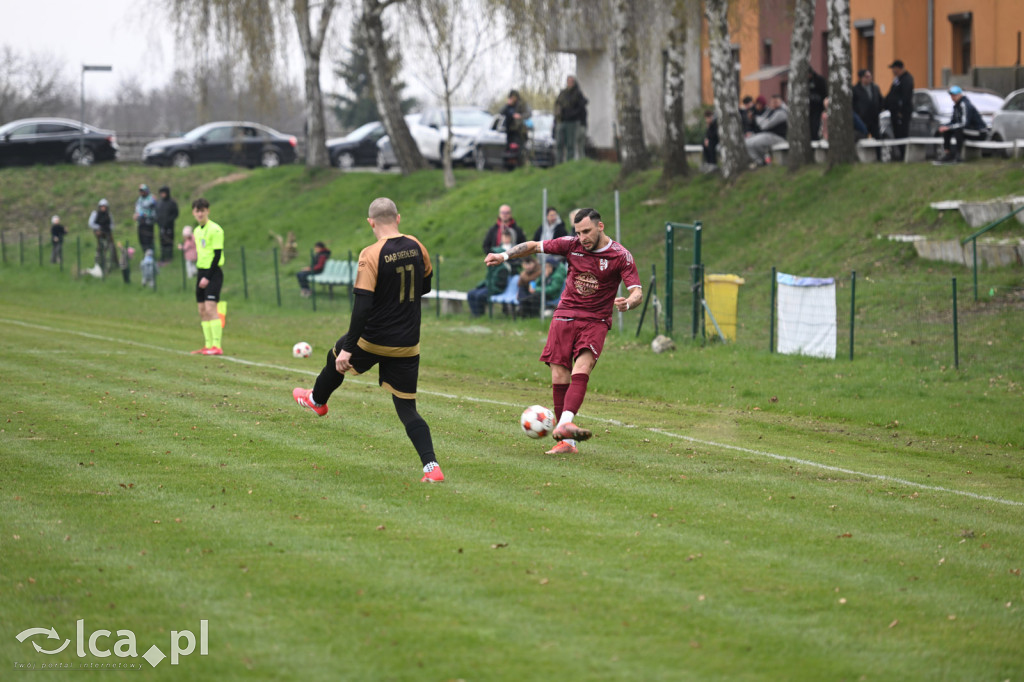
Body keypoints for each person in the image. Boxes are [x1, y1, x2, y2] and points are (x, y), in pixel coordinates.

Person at [291, 197, 444, 483]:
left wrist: (348, 349)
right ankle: (431, 467)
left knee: (334, 356)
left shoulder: (370, 254)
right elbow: (425, 286)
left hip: (374, 338)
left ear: (370, 222)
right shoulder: (416, 244)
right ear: (397, 218)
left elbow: (362, 307)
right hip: (408, 342)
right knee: (406, 408)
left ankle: (317, 400)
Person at [484, 207, 642, 455]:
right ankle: (567, 441)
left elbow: (637, 291)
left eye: (587, 231)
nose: (582, 238)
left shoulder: (620, 255)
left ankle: (565, 423)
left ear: (600, 227)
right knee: (559, 374)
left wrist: (628, 303)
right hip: (565, 313)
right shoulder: (571, 244)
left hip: (595, 320)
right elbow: (534, 246)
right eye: (578, 232)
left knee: (582, 367)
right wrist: (503, 256)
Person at [190, 198, 226, 356]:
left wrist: (208, 277)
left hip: (213, 272)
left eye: (202, 210)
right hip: (201, 271)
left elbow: (217, 255)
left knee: (211, 308)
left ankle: (217, 346)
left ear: (207, 211)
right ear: (193, 213)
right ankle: (208, 345)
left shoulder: (216, 230)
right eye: (197, 211)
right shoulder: (197, 231)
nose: (200, 213)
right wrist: (201, 275)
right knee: (202, 310)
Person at [468, 232, 513, 317]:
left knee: (479, 296)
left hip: (495, 289)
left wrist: (489, 287)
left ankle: (479, 316)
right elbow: (489, 278)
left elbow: (499, 284)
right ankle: (475, 315)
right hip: (490, 286)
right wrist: (482, 285)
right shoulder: (492, 266)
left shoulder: (503, 269)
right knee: (471, 293)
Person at [937, 86, 986, 163]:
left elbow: (965, 123)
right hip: (967, 130)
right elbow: (953, 122)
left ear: (960, 94)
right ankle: (948, 154)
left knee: (958, 130)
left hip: (978, 132)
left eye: (954, 95)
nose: (952, 97)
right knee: (947, 130)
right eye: (951, 95)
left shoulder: (965, 104)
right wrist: (945, 127)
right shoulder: (956, 106)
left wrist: (949, 127)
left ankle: (958, 156)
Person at [745, 94, 789, 167]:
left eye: (776, 102)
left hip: (777, 137)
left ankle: (764, 161)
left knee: (756, 143)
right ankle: (759, 161)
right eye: (772, 102)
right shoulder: (771, 111)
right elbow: (763, 122)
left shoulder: (781, 113)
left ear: (781, 102)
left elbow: (765, 126)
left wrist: (756, 118)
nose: (773, 104)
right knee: (747, 142)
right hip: (768, 135)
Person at [884, 59, 915, 161]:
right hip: (895, 112)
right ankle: (901, 155)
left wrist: (900, 111)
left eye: (894, 68)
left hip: (901, 113)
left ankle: (904, 156)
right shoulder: (897, 79)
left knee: (902, 134)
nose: (893, 71)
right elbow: (892, 94)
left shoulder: (907, 79)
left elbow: (906, 97)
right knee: (897, 134)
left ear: (899, 68)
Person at [555, 75, 588, 163]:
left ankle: (569, 164)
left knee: (570, 144)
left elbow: (582, 106)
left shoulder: (577, 93)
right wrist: (557, 115)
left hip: (572, 122)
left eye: (571, 81)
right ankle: (559, 164)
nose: (569, 83)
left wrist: (573, 114)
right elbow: (557, 104)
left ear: (574, 82)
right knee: (559, 144)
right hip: (561, 121)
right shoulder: (562, 93)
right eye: (568, 81)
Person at [500, 90, 531, 166]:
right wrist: (507, 105)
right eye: (511, 97)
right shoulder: (508, 106)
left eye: (513, 97)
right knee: (510, 149)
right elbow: (501, 112)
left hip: (519, 130)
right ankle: (509, 165)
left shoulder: (522, 104)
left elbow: (528, 113)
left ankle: (521, 164)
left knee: (520, 148)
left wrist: (520, 116)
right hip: (510, 131)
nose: (512, 99)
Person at [852, 69, 883, 142]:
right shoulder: (855, 89)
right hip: (862, 120)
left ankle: (878, 153)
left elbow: (880, 100)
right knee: (863, 139)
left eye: (870, 76)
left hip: (874, 119)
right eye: (866, 76)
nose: (869, 78)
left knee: (877, 139)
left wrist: (878, 111)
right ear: (861, 78)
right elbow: (853, 104)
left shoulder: (875, 88)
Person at [88, 198, 116, 274]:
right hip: (99, 232)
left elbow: (112, 224)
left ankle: (112, 263)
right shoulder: (95, 214)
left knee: (111, 247)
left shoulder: (109, 214)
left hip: (107, 232)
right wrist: (99, 228)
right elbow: (91, 223)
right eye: (102, 206)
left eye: (104, 206)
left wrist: (108, 228)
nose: (103, 208)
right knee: (100, 247)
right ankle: (98, 262)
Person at [155, 186, 179, 266]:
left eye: (164, 193)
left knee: (169, 241)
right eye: (161, 193)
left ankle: (169, 257)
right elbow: (157, 213)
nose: (162, 195)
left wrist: (169, 220)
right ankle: (163, 256)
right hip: (161, 226)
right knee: (162, 241)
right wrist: (158, 221)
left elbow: (176, 214)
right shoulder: (159, 203)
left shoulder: (172, 203)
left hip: (169, 226)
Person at [134, 184, 157, 254]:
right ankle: (145, 255)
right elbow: (137, 209)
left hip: (148, 223)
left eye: (143, 191)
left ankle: (151, 256)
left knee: (149, 241)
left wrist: (140, 214)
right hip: (141, 223)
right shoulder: (139, 199)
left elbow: (150, 211)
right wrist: (136, 215)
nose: (142, 192)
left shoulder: (151, 198)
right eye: (140, 191)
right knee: (142, 240)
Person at [808, 69, 829, 140]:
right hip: (809, 108)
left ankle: (815, 138)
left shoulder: (819, 80)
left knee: (815, 125)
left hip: (817, 107)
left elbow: (825, 93)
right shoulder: (806, 81)